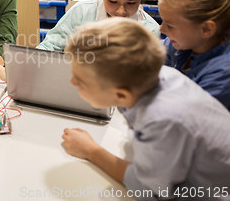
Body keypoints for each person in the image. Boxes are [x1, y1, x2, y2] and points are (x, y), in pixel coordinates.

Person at [61, 18, 230, 199]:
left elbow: (148, 190)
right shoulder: (161, 75)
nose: (71, 82)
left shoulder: (162, 118)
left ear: (121, 96)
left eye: (80, 81)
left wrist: (90, 150)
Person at [159, 0, 230, 110]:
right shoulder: (187, 41)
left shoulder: (223, 75)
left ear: (206, 29)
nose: (162, 30)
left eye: (170, 25)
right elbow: (150, 54)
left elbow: (184, 118)